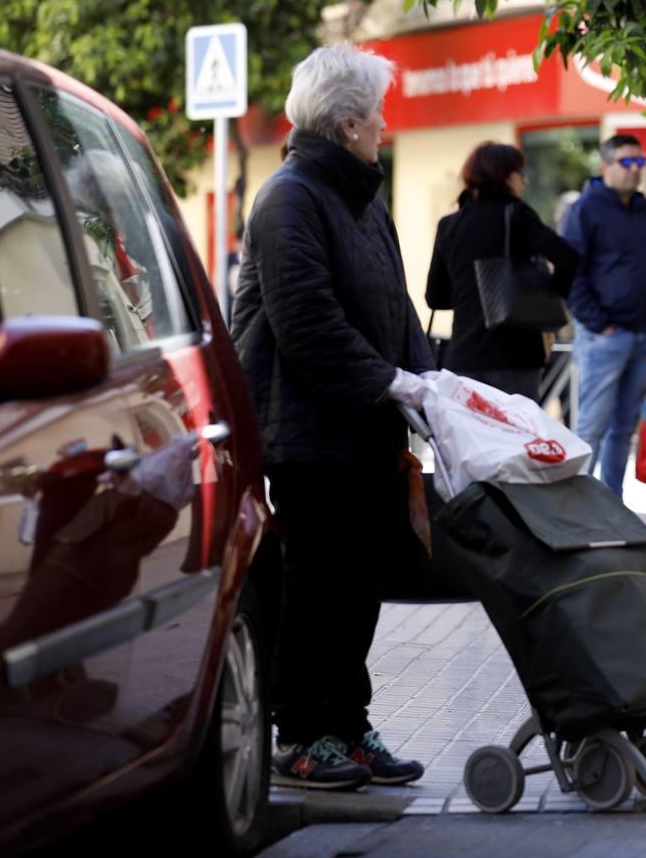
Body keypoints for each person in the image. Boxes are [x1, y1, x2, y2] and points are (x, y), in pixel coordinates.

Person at [232, 43, 433, 790]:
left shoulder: (362, 201)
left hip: (367, 427)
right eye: (376, 114)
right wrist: (390, 385)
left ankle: (347, 725)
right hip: (307, 432)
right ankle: (299, 733)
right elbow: (307, 324)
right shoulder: (289, 198)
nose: (384, 125)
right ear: (348, 124)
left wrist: (430, 386)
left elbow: (398, 306)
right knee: (317, 586)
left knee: (358, 586)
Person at [559, 134, 646, 498]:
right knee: (591, 427)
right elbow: (568, 272)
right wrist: (598, 324)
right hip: (604, 337)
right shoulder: (586, 209)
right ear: (606, 166)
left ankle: (611, 507)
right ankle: (572, 512)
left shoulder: (645, 210)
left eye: (640, 163)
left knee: (624, 429)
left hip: (643, 336)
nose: (635, 170)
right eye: (626, 163)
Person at [424, 142, 579, 401]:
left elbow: (435, 298)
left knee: (473, 440)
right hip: (516, 357)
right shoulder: (517, 215)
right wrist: (546, 297)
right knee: (516, 438)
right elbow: (567, 258)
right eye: (520, 173)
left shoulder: (450, 225)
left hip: (465, 359)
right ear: (505, 176)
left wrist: (471, 293)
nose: (525, 181)